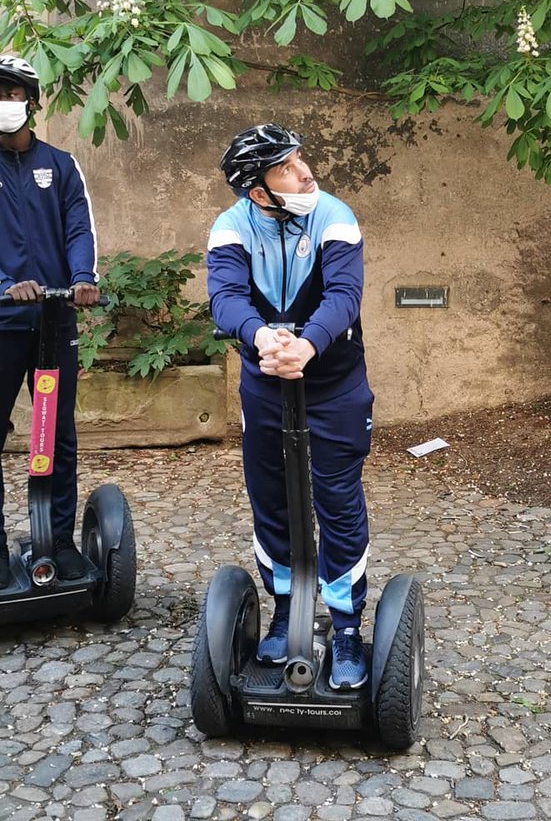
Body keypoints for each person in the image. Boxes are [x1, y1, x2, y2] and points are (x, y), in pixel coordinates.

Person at [206, 123, 374, 690]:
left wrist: (306, 344)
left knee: (337, 500)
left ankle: (347, 626)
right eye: (286, 167)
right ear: (258, 190)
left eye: (300, 159)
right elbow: (225, 298)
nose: (305, 172)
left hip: (334, 386)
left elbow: (343, 296)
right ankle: (285, 611)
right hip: (267, 386)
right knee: (272, 501)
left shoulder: (334, 215)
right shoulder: (231, 227)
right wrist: (259, 338)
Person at [0, 54, 100, 590]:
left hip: (55, 322)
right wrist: (2, 283)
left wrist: (83, 276)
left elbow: (79, 226)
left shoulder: (60, 165)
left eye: (14, 94)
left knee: (58, 433)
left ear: (31, 101)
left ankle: (59, 540)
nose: (5, 103)